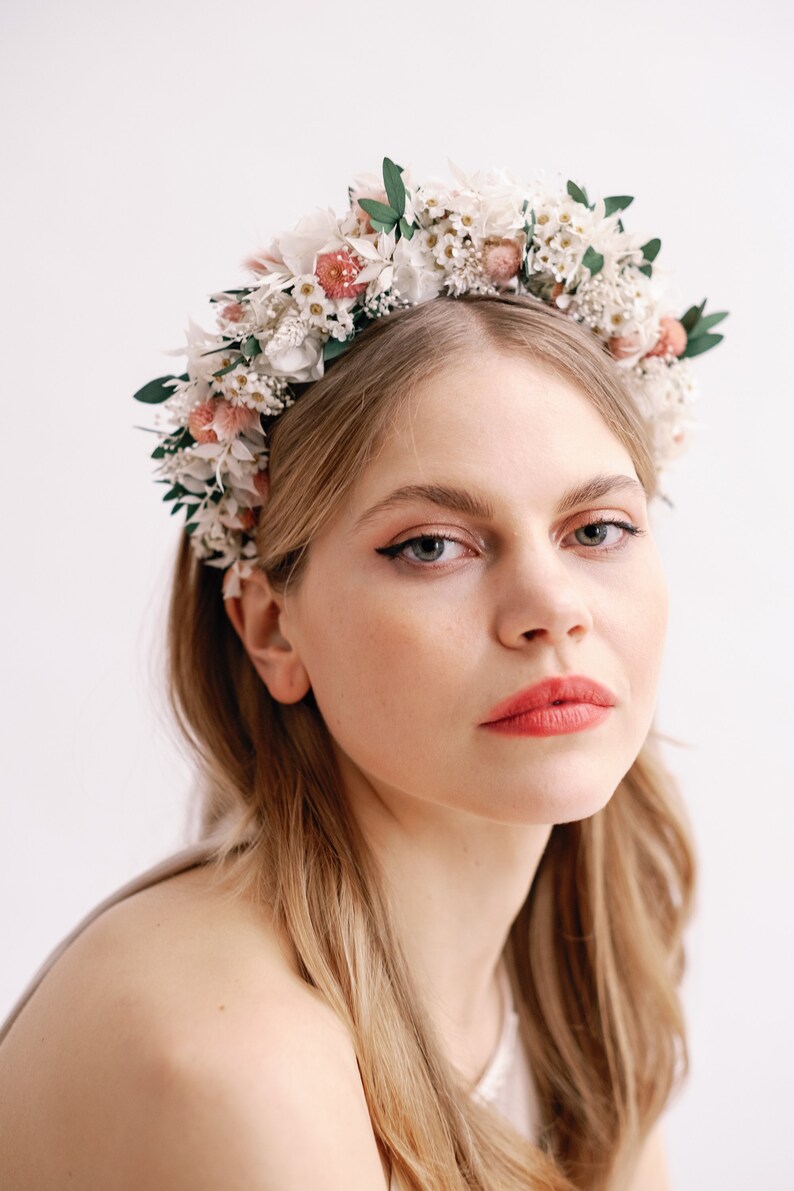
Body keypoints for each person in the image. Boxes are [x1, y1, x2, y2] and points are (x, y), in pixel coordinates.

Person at [0, 159, 726, 1190]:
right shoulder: (236, 1064)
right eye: (431, 546)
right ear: (270, 631)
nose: (550, 608)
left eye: (595, 528)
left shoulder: (572, 986)